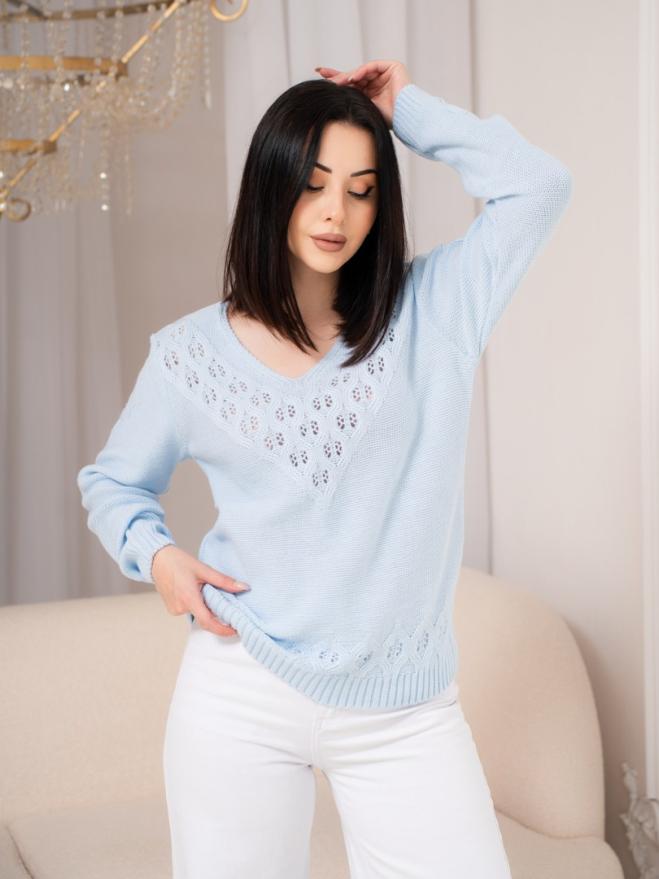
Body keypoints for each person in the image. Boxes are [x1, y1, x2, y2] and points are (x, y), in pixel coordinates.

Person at [77, 58, 572, 878]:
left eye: (361, 188)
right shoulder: (187, 356)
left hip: (403, 709)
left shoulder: (436, 309)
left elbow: (539, 186)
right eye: (312, 184)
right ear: (270, 187)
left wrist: (404, 108)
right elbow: (113, 480)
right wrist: (157, 556)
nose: (336, 211)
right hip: (240, 687)